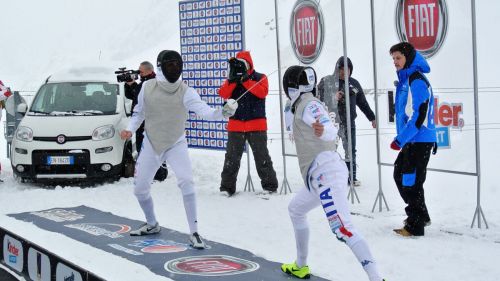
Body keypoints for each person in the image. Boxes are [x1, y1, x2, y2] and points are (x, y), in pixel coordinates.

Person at [120, 50, 238, 248]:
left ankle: (194, 232)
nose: (174, 69)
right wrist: (130, 130)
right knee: (140, 189)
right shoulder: (147, 87)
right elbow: (139, 113)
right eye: (170, 65)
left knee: (187, 182)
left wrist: (223, 112)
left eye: (177, 65)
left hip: (176, 143)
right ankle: (151, 224)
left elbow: (206, 112)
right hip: (151, 142)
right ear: (160, 67)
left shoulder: (186, 91)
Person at [280, 65, 384, 281]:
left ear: (290, 86)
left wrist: (323, 130)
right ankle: (300, 265)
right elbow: (291, 118)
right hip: (316, 177)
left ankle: (376, 278)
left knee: (342, 228)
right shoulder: (298, 104)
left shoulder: (310, 105)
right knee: (296, 210)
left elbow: (330, 126)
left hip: (326, 175)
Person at [389, 42, 436, 237]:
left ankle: (415, 225)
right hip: (413, 140)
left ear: (408, 57)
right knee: (401, 175)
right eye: (393, 59)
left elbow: (420, 115)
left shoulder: (416, 81)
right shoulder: (408, 80)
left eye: (398, 58)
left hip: (418, 139)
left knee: (410, 181)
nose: (395, 62)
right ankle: (421, 215)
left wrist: (400, 139)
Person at [217, 50, 278, 196]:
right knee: (231, 158)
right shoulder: (232, 79)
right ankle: (226, 188)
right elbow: (223, 94)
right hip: (236, 125)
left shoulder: (260, 77)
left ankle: (270, 186)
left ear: (249, 64)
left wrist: (246, 79)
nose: (239, 68)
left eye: (242, 64)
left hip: (256, 125)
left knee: (262, 156)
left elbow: (262, 92)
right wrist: (233, 80)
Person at [319, 57, 376, 186]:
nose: (344, 72)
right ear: (337, 69)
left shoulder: (354, 83)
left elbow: (362, 103)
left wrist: (372, 117)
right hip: (331, 123)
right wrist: (333, 97)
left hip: (349, 123)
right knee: (328, 150)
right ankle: (325, 176)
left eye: (347, 69)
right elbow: (318, 99)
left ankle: (351, 177)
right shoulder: (327, 81)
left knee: (350, 150)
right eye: (341, 69)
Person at [124, 61, 168, 181]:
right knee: (141, 148)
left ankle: (159, 174)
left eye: (141, 70)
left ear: (149, 70)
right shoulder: (143, 83)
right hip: (141, 122)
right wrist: (130, 84)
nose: (139, 72)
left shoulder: (156, 82)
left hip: (153, 123)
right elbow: (133, 96)